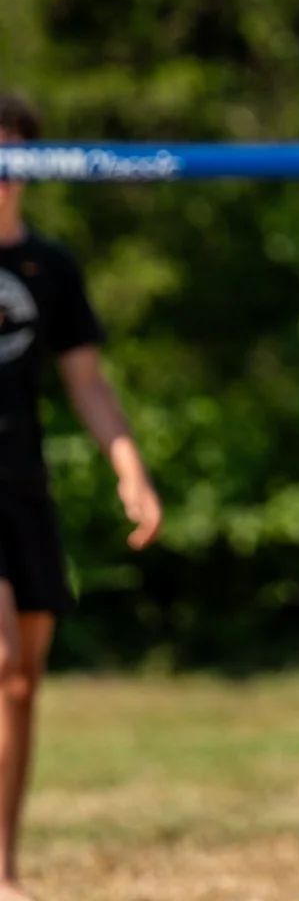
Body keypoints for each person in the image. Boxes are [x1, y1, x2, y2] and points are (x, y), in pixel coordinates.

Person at [0, 90, 162, 901]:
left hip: (22, 484)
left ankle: (3, 867)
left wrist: (129, 468)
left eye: (11, 151)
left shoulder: (50, 266)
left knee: (22, 681)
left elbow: (87, 382)